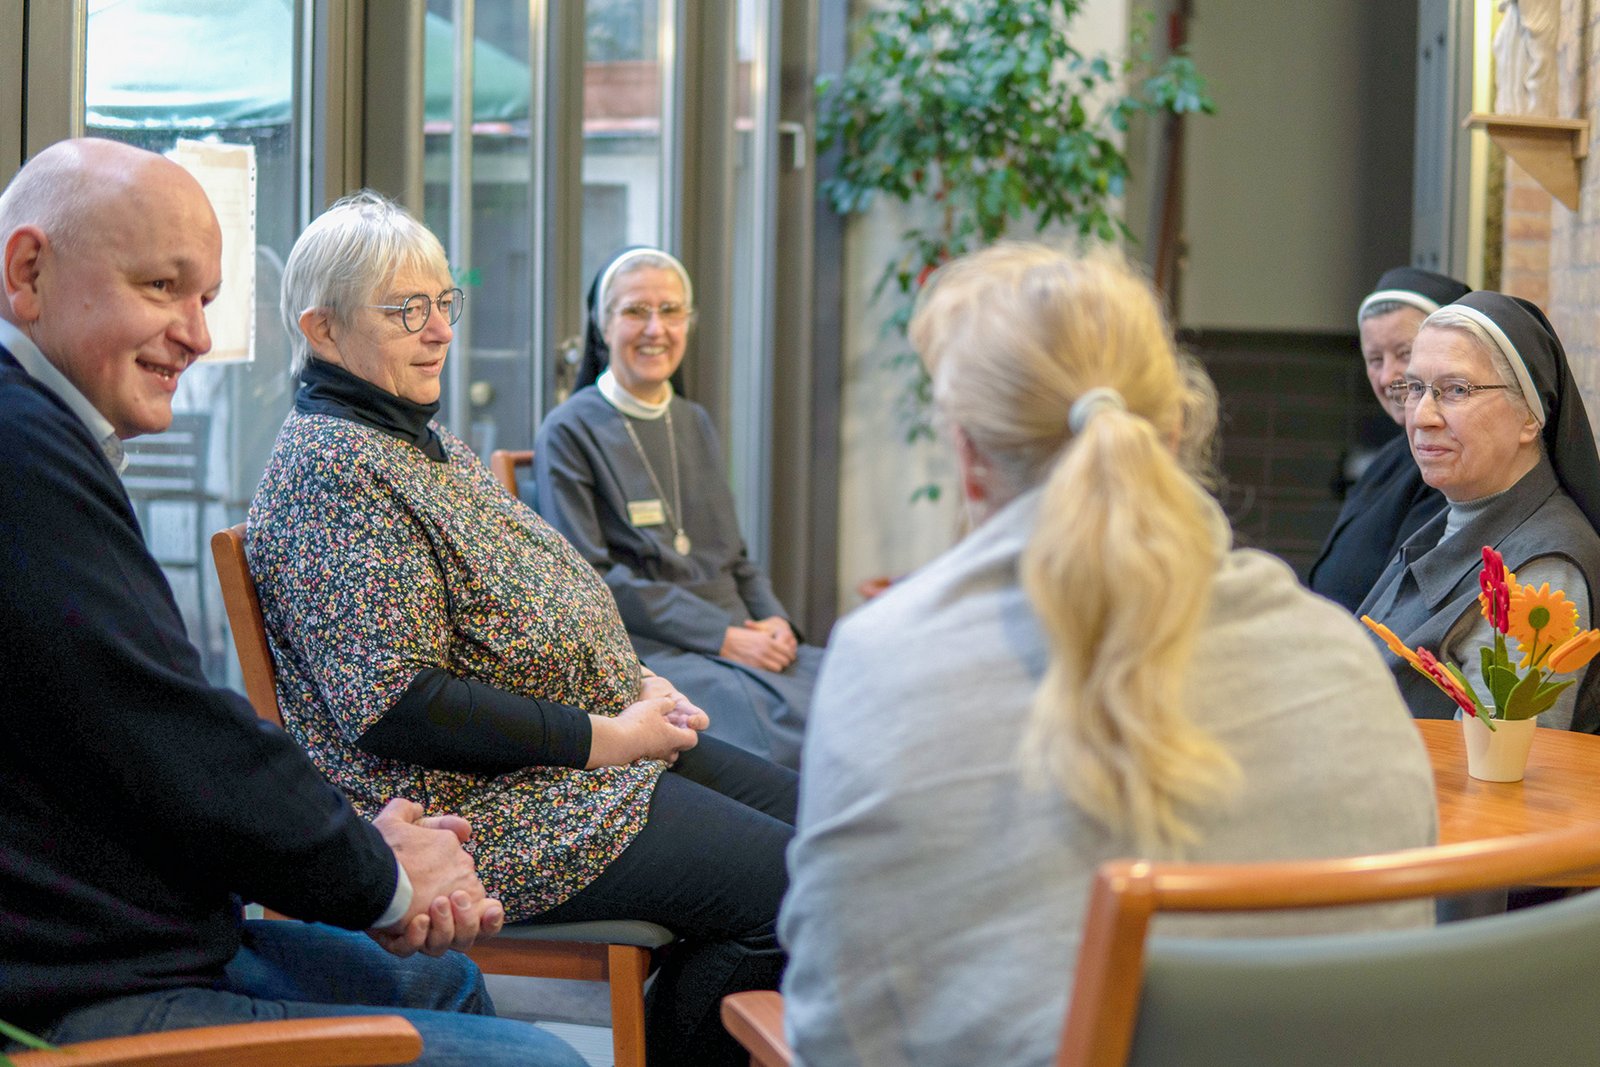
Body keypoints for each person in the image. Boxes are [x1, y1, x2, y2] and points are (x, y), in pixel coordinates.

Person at [779, 244, 1438, 1067]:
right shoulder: (1339, 654)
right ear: (1174, 429)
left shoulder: (884, 661)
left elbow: (835, 1035)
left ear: (970, 459)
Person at [0, 138, 583, 1066]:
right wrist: (382, 871)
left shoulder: (52, 438)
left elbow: (152, 736)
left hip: (144, 930)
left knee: (449, 980)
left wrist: (372, 854)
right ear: (28, 272)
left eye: (206, 299)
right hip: (64, 988)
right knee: (548, 1058)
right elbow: (184, 733)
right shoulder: (23, 453)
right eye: (161, 287)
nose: (195, 332)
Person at [247, 192, 795, 1067]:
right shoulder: (333, 467)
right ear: (322, 328)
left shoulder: (410, 437)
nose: (437, 331)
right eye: (405, 310)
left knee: (822, 834)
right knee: (800, 891)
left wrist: (630, 684)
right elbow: (401, 704)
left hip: (569, 759)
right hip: (482, 807)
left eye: (442, 304)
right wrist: (607, 734)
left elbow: (542, 591)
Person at [533, 247, 821, 768]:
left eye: (670, 311)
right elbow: (591, 580)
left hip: (736, 634)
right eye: (635, 310)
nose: (655, 329)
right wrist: (721, 636)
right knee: (793, 738)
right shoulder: (569, 430)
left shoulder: (696, 421)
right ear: (602, 326)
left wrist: (775, 620)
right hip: (653, 647)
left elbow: (735, 556)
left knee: (851, 689)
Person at [1358, 291, 1600, 731]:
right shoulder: (1449, 520)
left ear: (1531, 416)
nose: (1422, 416)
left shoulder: (1544, 571)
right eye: (1416, 388)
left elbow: (1499, 776)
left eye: (1455, 390)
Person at [1307, 267, 1468, 610]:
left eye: (1405, 354)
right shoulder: (1392, 455)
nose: (1387, 377)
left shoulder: (1448, 468)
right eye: (1375, 359)